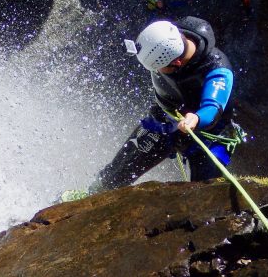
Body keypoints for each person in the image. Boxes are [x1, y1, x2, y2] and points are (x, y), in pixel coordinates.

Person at [90, 16, 245, 192]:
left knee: (203, 190)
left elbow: (213, 107)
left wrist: (196, 118)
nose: (156, 72)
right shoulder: (172, 33)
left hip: (209, 133)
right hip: (166, 118)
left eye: (159, 67)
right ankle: (92, 192)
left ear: (177, 62)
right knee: (118, 171)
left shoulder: (217, 69)